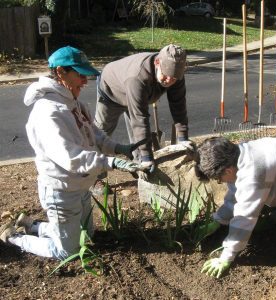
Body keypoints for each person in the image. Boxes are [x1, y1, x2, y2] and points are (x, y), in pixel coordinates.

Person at [0, 46, 144, 260]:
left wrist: (118, 149)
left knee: (88, 235)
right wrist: (113, 163)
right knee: (68, 251)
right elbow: (71, 158)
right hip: (62, 190)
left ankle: (32, 225)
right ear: (60, 72)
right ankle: (14, 237)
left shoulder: (74, 103)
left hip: (81, 186)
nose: (85, 82)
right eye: (79, 74)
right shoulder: (48, 113)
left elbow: (94, 134)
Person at [195, 135, 276, 278]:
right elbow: (235, 194)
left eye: (218, 179)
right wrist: (218, 219)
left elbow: (244, 218)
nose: (220, 182)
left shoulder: (253, 175)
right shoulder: (239, 153)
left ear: (228, 171)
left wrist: (227, 256)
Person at [94, 44, 191, 174]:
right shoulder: (137, 78)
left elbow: (178, 104)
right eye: (166, 75)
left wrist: (183, 138)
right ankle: (95, 176)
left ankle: (139, 167)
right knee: (99, 134)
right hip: (111, 91)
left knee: (138, 135)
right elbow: (140, 118)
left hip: (138, 93)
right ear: (157, 62)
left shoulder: (175, 73)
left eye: (173, 78)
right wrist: (147, 156)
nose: (169, 81)